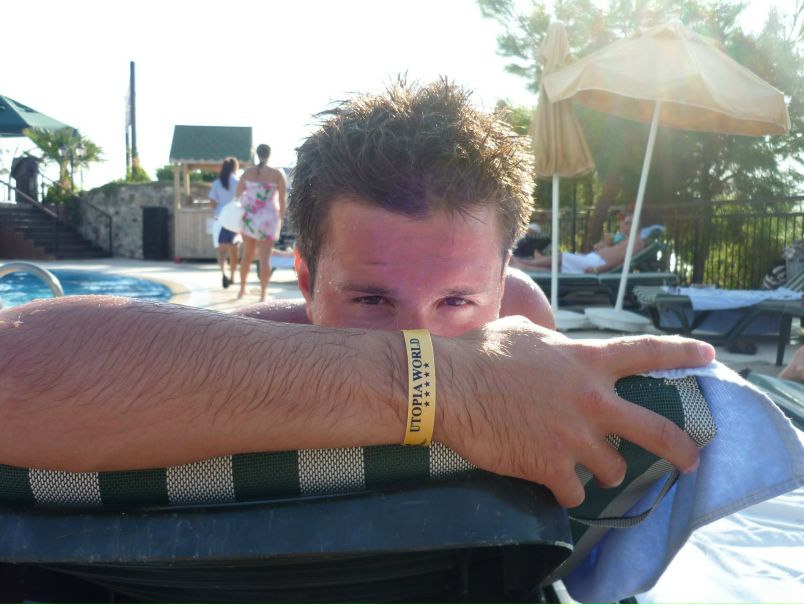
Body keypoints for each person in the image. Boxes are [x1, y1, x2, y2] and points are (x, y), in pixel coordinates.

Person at [0, 79, 713, 509]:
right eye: (372, 301)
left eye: (456, 302)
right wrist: (443, 386)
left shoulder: (523, 322)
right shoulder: (264, 341)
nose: (418, 334)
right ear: (307, 281)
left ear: (500, 286)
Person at [510, 209, 644, 274]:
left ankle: (525, 263)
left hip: (596, 264)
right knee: (558, 269)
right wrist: (606, 245)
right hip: (593, 259)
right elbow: (609, 251)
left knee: (562, 257)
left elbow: (622, 261)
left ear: (636, 224)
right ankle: (525, 267)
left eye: (627, 223)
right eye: (623, 222)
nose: (623, 225)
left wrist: (597, 269)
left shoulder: (637, 242)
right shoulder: (627, 239)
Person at [235, 144, 286, 301]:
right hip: (269, 219)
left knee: (247, 255)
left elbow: (237, 194)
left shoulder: (247, 173)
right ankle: (263, 294)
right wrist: (282, 219)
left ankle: (242, 290)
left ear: (257, 154)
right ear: (269, 154)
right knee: (265, 257)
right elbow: (282, 200)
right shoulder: (277, 174)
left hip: (249, 217)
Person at [208, 157, 241, 289]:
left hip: (220, 219)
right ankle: (232, 276)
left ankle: (224, 273)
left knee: (222, 251)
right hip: (234, 220)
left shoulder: (217, 183)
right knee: (234, 250)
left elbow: (212, 203)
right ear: (235, 167)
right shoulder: (239, 182)